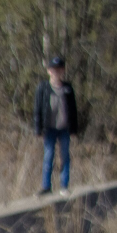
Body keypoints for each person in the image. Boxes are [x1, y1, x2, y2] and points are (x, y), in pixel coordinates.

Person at [34, 55, 78, 197]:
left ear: (63, 71)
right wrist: (38, 128)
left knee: (65, 156)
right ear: (48, 71)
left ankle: (64, 186)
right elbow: (38, 109)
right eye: (53, 69)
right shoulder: (43, 87)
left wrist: (74, 129)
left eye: (59, 69)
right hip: (49, 129)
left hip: (64, 128)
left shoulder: (68, 88)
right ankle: (46, 186)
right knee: (48, 156)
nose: (56, 72)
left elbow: (73, 109)